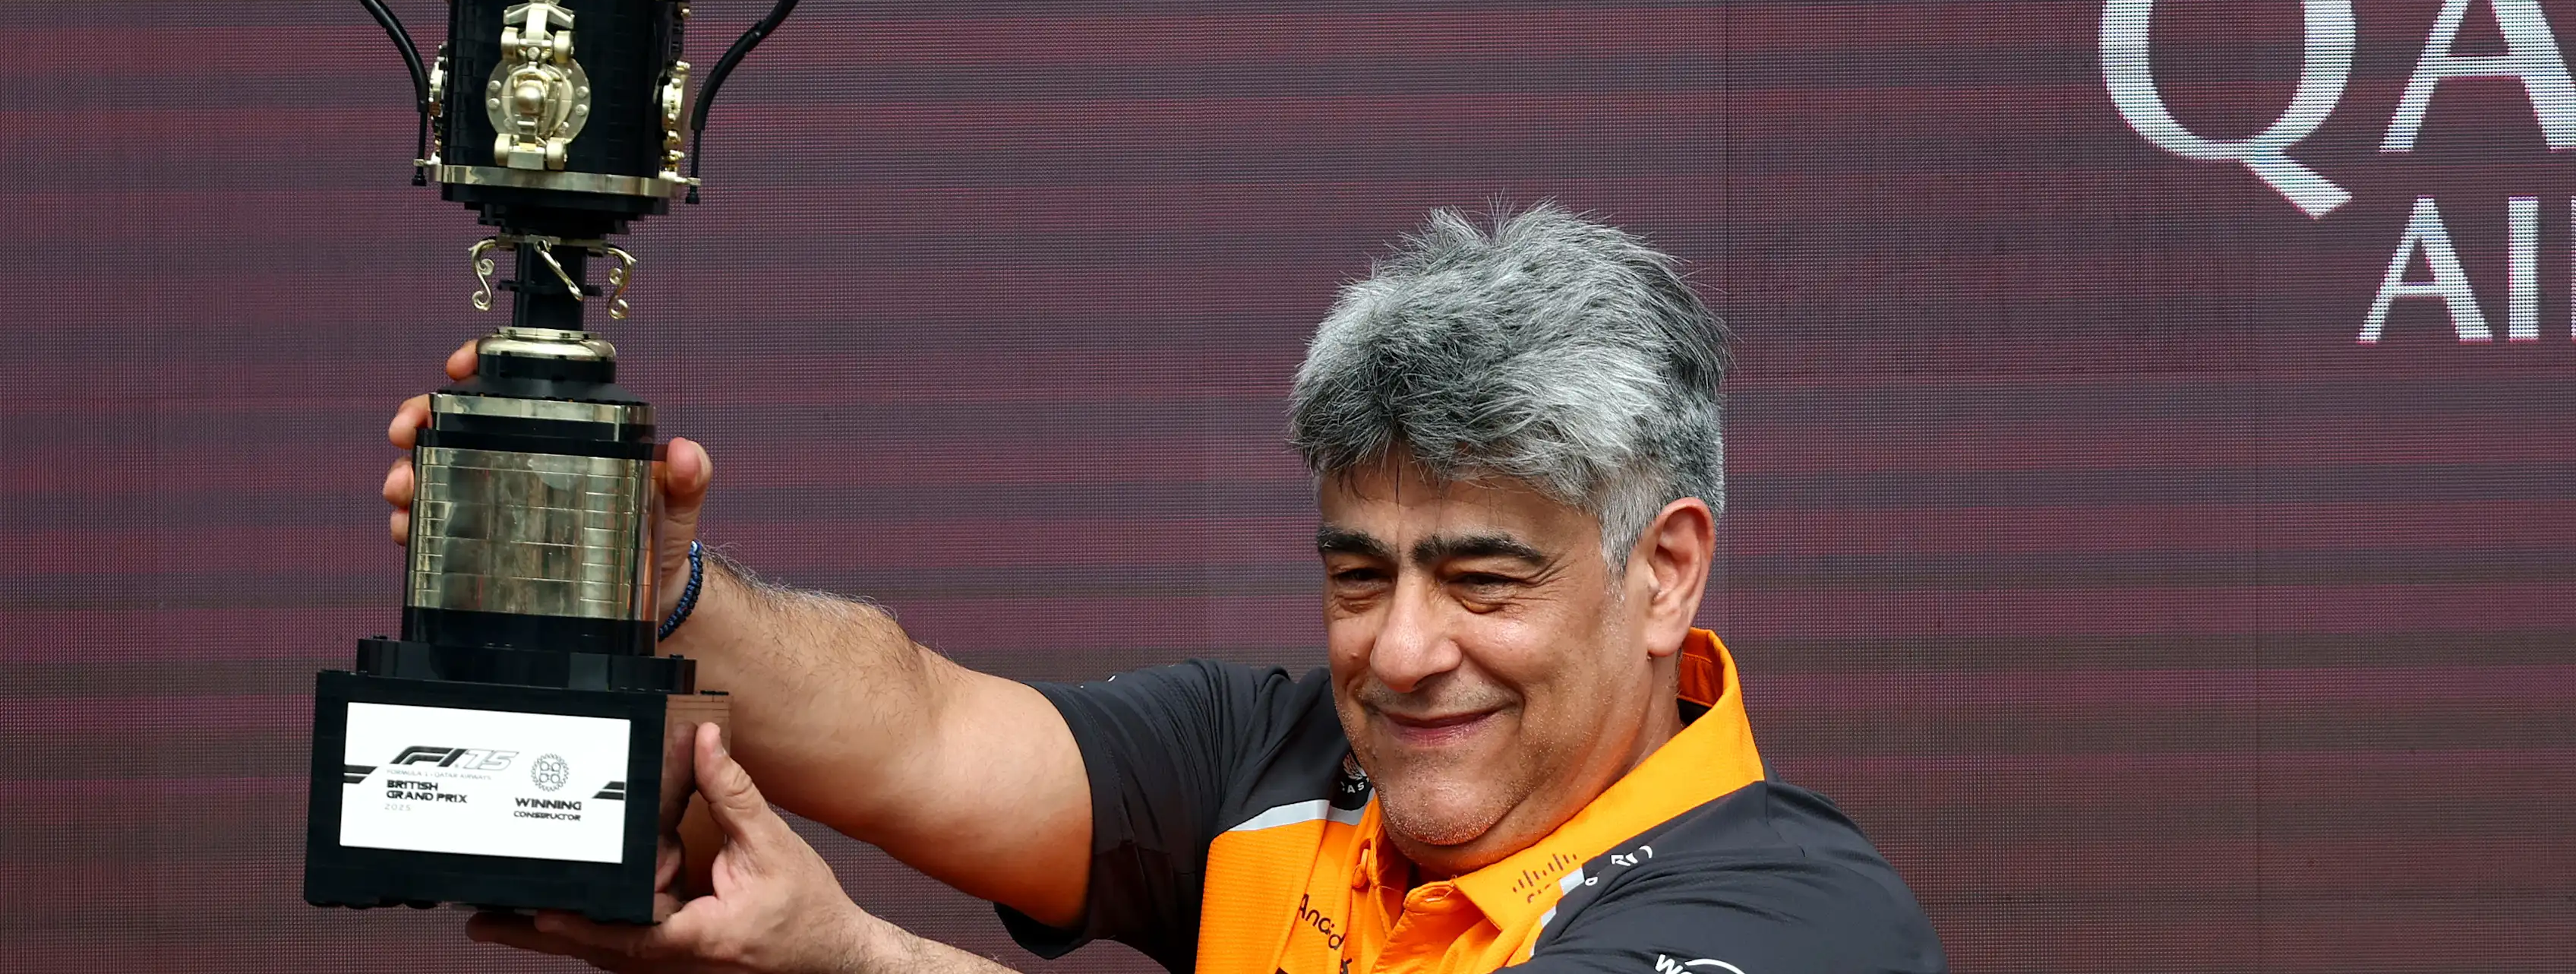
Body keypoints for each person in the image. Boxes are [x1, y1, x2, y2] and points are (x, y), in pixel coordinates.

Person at [381, 206, 1946, 973]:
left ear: (1662, 568)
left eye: (1480, 579)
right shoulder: (1263, 762)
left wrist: (861, 964)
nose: (1402, 653)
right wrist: (657, 590)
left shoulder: (1795, 918)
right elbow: (916, 734)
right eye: (1357, 573)